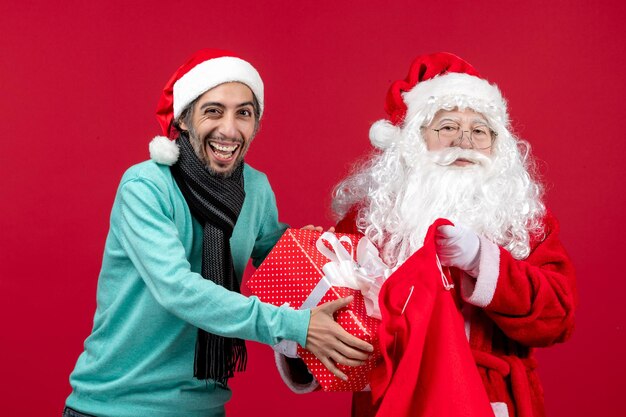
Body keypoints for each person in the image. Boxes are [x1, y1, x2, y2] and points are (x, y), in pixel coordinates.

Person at [63, 49, 373, 417]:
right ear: (184, 119)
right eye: (213, 110)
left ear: (255, 124)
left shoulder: (255, 189)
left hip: (205, 407)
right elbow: (177, 289)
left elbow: (283, 262)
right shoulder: (146, 186)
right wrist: (294, 326)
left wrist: (319, 255)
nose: (229, 129)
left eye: (244, 113)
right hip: (117, 405)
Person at [277, 53, 577, 417]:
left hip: (490, 402)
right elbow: (331, 327)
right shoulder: (369, 220)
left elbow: (558, 317)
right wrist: (300, 315)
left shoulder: (525, 220)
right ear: (414, 140)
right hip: (395, 401)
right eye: (447, 126)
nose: (464, 141)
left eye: (480, 131)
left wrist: (484, 262)